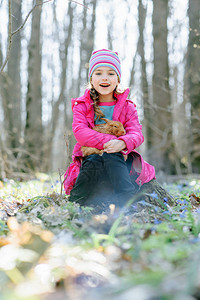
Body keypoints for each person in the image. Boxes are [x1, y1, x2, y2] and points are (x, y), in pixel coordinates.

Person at [64, 49, 156, 209]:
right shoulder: (82, 105)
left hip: (117, 157)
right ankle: (76, 202)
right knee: (93, 161)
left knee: (112, 157)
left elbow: (136, 133)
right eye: (98, 73)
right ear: (91, 78)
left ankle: (127, 201)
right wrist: (111, 141)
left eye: (111, 73)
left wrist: (122, 143)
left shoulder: (127, 106)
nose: (104, 77)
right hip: (91, 156)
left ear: (118, 79)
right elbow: (80, 131)